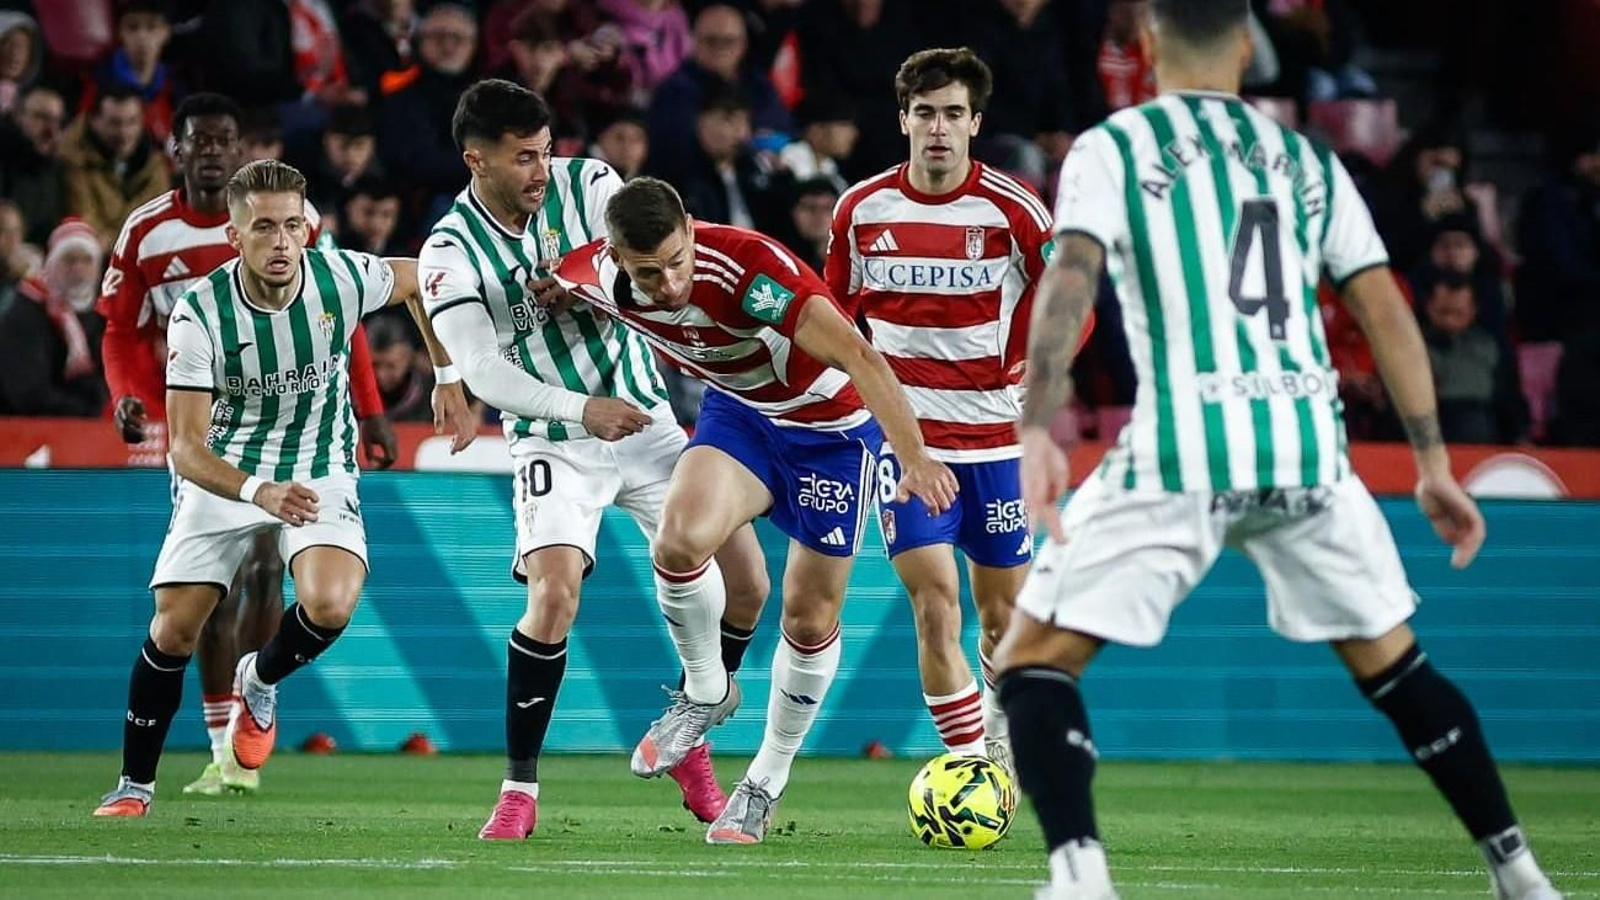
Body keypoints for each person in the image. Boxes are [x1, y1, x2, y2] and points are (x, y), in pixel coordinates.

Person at [994, 3, 1563, 899]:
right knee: (1397, 665)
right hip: (1306, 447)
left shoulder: (1118, 145)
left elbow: (1071, 277)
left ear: (1145, 44)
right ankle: (1521, 874)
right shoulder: (1309, 159)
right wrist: (1432, 464)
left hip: (1187, 444)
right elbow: (1383, 307)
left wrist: (1035, 426)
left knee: (1030, 663)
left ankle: (1080, 878)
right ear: (1247, 47)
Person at [554, 176, 959, 845]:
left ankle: (764, 782)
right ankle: (706, 692)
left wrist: (913, 456)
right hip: (743, 417)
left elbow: (859, 354)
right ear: (617, 259)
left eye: (679, 261)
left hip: (831, 433)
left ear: (691, 227)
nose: (672, 285)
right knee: (678, 543)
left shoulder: (750, 272)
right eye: (649, 272)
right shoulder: (590, 277)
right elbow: (545, 279)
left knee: (807, 617)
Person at [415, 79, 769, 840]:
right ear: (475, 159)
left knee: (748, 584)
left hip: (644, 418)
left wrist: (593, 286)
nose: (541, 170)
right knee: (553, 598)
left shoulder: (591, 183)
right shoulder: (449, 249)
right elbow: (481, 369)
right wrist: (581, 408)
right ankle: (518, 792)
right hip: (555, 436)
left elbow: (647, 263)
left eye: (544, 152)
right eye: (521, 159)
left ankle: (688, 734)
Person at [91, 158, 468, 818]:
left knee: (330, 605)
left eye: (293, 225)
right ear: (235, 237)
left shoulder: (342, 276)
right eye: (264, 228)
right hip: (225, 473)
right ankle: (134, 784)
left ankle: (258, 680)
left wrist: (446, 374)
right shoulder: (198, 315)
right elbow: (184, 446)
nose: (282, 242)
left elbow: (423, 283)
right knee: (174, 629)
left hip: (317, 466)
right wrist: (259, 492)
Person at [827, 47, 1064, 775]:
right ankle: (969, 767)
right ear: (903, 119)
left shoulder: (1013, 209)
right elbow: (832, 319)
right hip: (910, 446)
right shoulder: (860, 210)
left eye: (953, 113)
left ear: (975, 123)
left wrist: (1029, 370)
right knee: (935, 605)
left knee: (1002, 618)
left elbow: (1070, 306)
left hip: (996, 441)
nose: (938, 127)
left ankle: (996, 732)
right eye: (925, 112)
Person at [0, 218, 107, 416]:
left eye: (86, 260)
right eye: (69, 260)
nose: (78, 269)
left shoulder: (105, 311)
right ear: (52, 264)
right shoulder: (28, 308)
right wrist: (88, 414)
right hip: (29, 426)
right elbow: (28, 391)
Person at [60, 85, 167, 248]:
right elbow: (89, 228)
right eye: (114, 123)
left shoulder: (155, 166)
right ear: (94, 121)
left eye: (132, 122)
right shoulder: (74, 162)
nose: (124, 133)